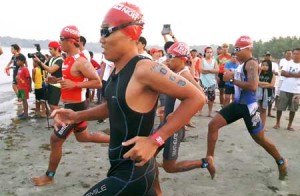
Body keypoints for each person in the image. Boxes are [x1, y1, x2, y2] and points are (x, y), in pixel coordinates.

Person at [51, 3, 204, 195]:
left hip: (131, 174)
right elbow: (113, 107)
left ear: (130, 32)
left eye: (106, 31)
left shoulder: (145, 68)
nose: (101, 39)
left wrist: (156, 139)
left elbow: (197, 97)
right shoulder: (118, 70)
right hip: (126, 167)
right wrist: (75, 115)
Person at [31, 25, 110, 186]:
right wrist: (57, 81)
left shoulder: (81, 61)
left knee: (55, 140)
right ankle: (117, 140)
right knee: (83, 137)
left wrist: (74, 85)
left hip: (76, 108)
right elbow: (70, 82)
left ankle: (49, 176)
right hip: (69, 106)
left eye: (61, 39)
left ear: (71, 41)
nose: (59, 42)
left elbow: (98, 83)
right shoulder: (67, 59)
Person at [206, 35, 287, 181]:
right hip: (238, 104)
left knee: (260, 139)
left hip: (249, 108)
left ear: (249, 49)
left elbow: (253, 86)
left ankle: (281, 161)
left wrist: (231, 79)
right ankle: (209, 159)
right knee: (213, 125)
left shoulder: (252, 64)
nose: (236, 53)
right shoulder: (241, 63)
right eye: (235, 50)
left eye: (238, 50)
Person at [153, 42, 212, 195]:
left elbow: (201, 98)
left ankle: (205, 163)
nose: (168, 59)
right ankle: (156, 191)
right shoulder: (176, 73)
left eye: (171, 57)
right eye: (167, 56)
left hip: (174, 129)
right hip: (167, 125)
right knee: (147, 156)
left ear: (182, 59)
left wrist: (182, 115)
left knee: (169, 167)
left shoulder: (185, 75)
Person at [273, 48, 300, 131]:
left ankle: (289, 125)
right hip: (285, 88)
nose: (295, 55)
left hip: (296, 90)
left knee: (293, 109)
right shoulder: (288, 63)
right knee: (280, 107)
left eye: (297, 54)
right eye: (294, 53)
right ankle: (277, 123)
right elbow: (283, 73)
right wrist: (296, 74)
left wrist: (289, 74)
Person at [34, 41, 63, 114]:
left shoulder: (60, 60)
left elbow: (51, 69)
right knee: (50, 104)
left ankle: (62, 119)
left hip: (57, 85)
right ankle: (57, 122)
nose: (49, 51)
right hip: (50, 84)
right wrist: (39, 60)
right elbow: (43, 68)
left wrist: (40, 62)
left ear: (56, 49)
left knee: (54, 105)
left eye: (51, 49)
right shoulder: (52, 59)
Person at [257, 60, 275, 131]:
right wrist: (266, 83)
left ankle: (263, 126)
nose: (264, 66)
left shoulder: (272, 74)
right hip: (258, 93)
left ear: (269, 66)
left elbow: (271, 85)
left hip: (267, 93)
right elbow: (256, 82)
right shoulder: (259, 73)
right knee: (257, 110)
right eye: (263, 65)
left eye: (266, 65)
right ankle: (257, 125)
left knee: (264, 110)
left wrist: (261, 84)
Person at [15, 54, 31, 119]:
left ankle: (26, 114)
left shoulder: (25, 69)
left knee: (25, 100)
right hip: (20, 87)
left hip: (24, 87)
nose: (17, 62)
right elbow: (19, 77)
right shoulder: (19, 68)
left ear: (22, 61)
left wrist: (30, 87)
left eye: (18, 61)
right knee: (22, 100)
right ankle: (24, 112)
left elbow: (29, 78)